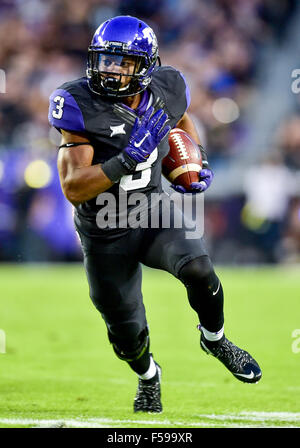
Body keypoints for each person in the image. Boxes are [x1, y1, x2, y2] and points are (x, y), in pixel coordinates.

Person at [48, 15, 262, 414]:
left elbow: (179, 120)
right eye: (104, 61)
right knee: (127, 334)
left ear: (145, 66)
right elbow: (73, 188)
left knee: (199, 269)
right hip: (104, 227)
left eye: (122, 62)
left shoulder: (168, 86)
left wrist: (192, 160)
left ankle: (215, 339)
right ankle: (149, 377)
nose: (110, 70)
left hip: (151, 211)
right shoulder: (77, 103)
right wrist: (127, 158)